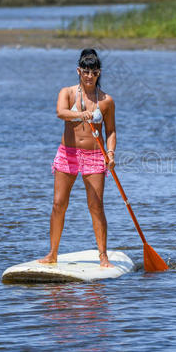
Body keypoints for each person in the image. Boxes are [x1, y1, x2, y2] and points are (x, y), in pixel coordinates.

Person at [39, 49, 116, 267]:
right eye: (85, 71)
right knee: (58, 204)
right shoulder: (68, 92)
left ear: (99, 73)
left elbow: (111, 131)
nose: (89, 75)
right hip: (68, 154)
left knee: (96, 206)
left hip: (94, 156)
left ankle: (103, 256)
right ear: (78, 71)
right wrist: (80, 115)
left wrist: (110, 153)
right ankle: (52, 254)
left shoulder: (106, 101)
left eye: (93, 71)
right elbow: (61, 112)